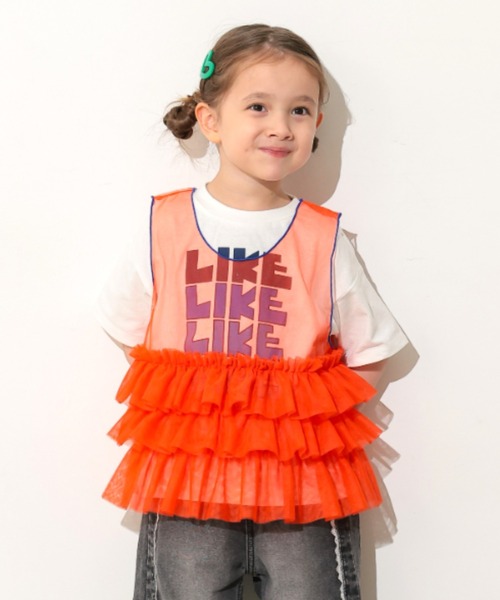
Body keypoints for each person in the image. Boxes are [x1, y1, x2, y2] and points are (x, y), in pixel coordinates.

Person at [97, 23, 408, 600]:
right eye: (258, 106)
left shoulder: (322, 238)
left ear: (317, 124)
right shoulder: (164, 224)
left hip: (301, 484)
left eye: (299, 110)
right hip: (190, 475)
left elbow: (374, 350)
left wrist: (305, 426)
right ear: (210, 119)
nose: (280, 126)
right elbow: (128, 328)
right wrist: (195, 405)